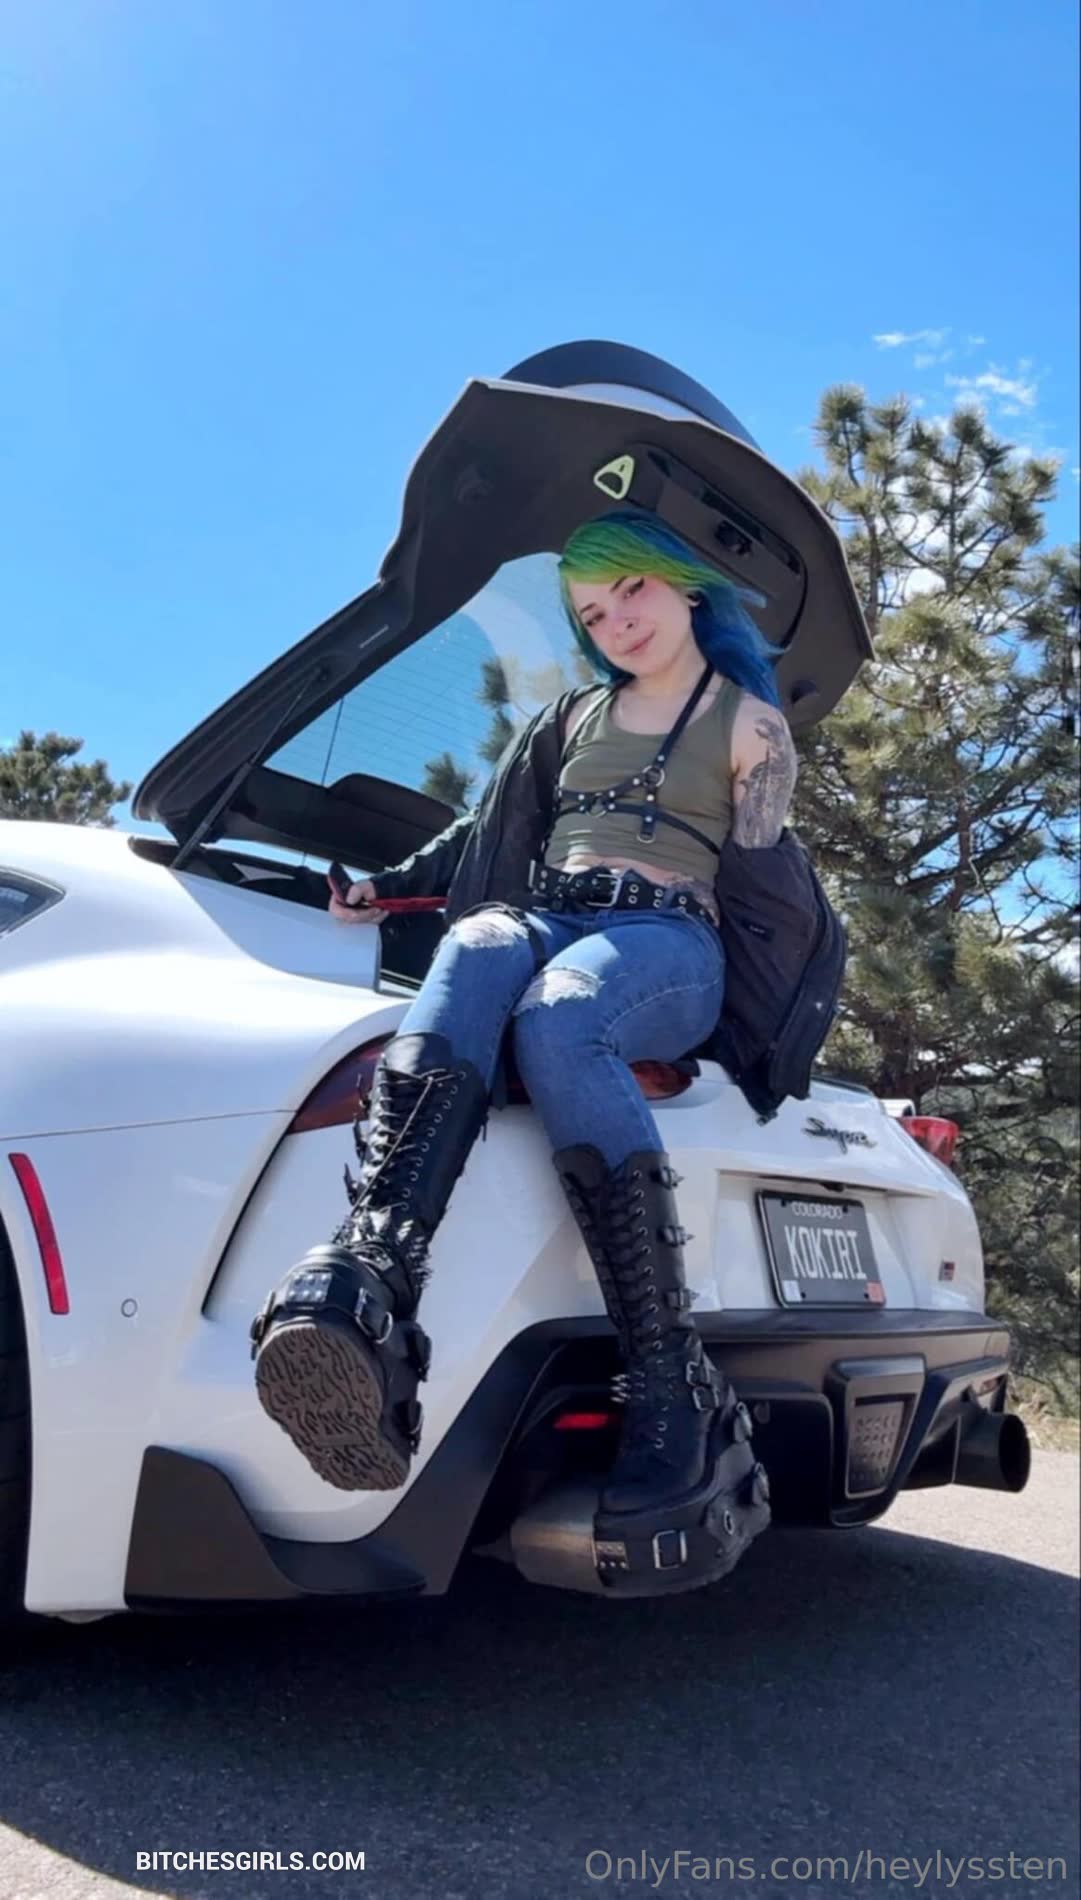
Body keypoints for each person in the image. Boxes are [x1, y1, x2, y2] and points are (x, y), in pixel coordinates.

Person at [250, 509, 796, 1592]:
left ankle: (666, 1379)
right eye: (591, 612)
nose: (615, 622)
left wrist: (763, 1030)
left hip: (668, 948)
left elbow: (769, 892)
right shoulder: (568, 718)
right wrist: (382, 887)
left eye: (631, 590)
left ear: (684, 585)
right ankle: (371, 1282)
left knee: (562, 1010)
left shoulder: (750, 728)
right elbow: (483, 833)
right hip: (552, 917)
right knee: (481, 940)